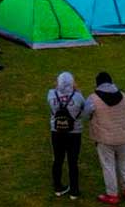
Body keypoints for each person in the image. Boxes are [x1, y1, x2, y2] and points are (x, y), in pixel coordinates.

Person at [81, 71, 125, 204]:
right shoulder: (123, 95)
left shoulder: (93, 98)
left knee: (108, 166)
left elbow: (85, 115)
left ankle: (112, 195)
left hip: (104, 139)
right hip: (124, 136)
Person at [48, 71, 85, 200]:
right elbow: (84, 111)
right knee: (73, 161)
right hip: (74, 133)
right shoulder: (78, 96)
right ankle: (74, 190)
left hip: (56, 131)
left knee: (57, 159)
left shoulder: (51, 94)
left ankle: (58, 187)